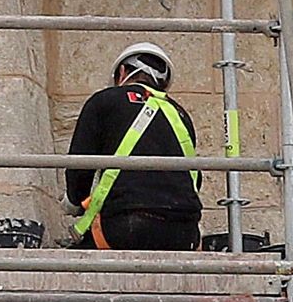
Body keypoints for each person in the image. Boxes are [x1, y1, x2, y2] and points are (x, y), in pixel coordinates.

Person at [66, 42, 203, 251]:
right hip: (184, 233)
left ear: (122, 73)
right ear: (163, 83)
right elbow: (193, 177)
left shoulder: (105, 101)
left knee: (70, 267)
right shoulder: (181, 116)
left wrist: (74, 199)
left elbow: (80, 166)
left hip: (126, 227)